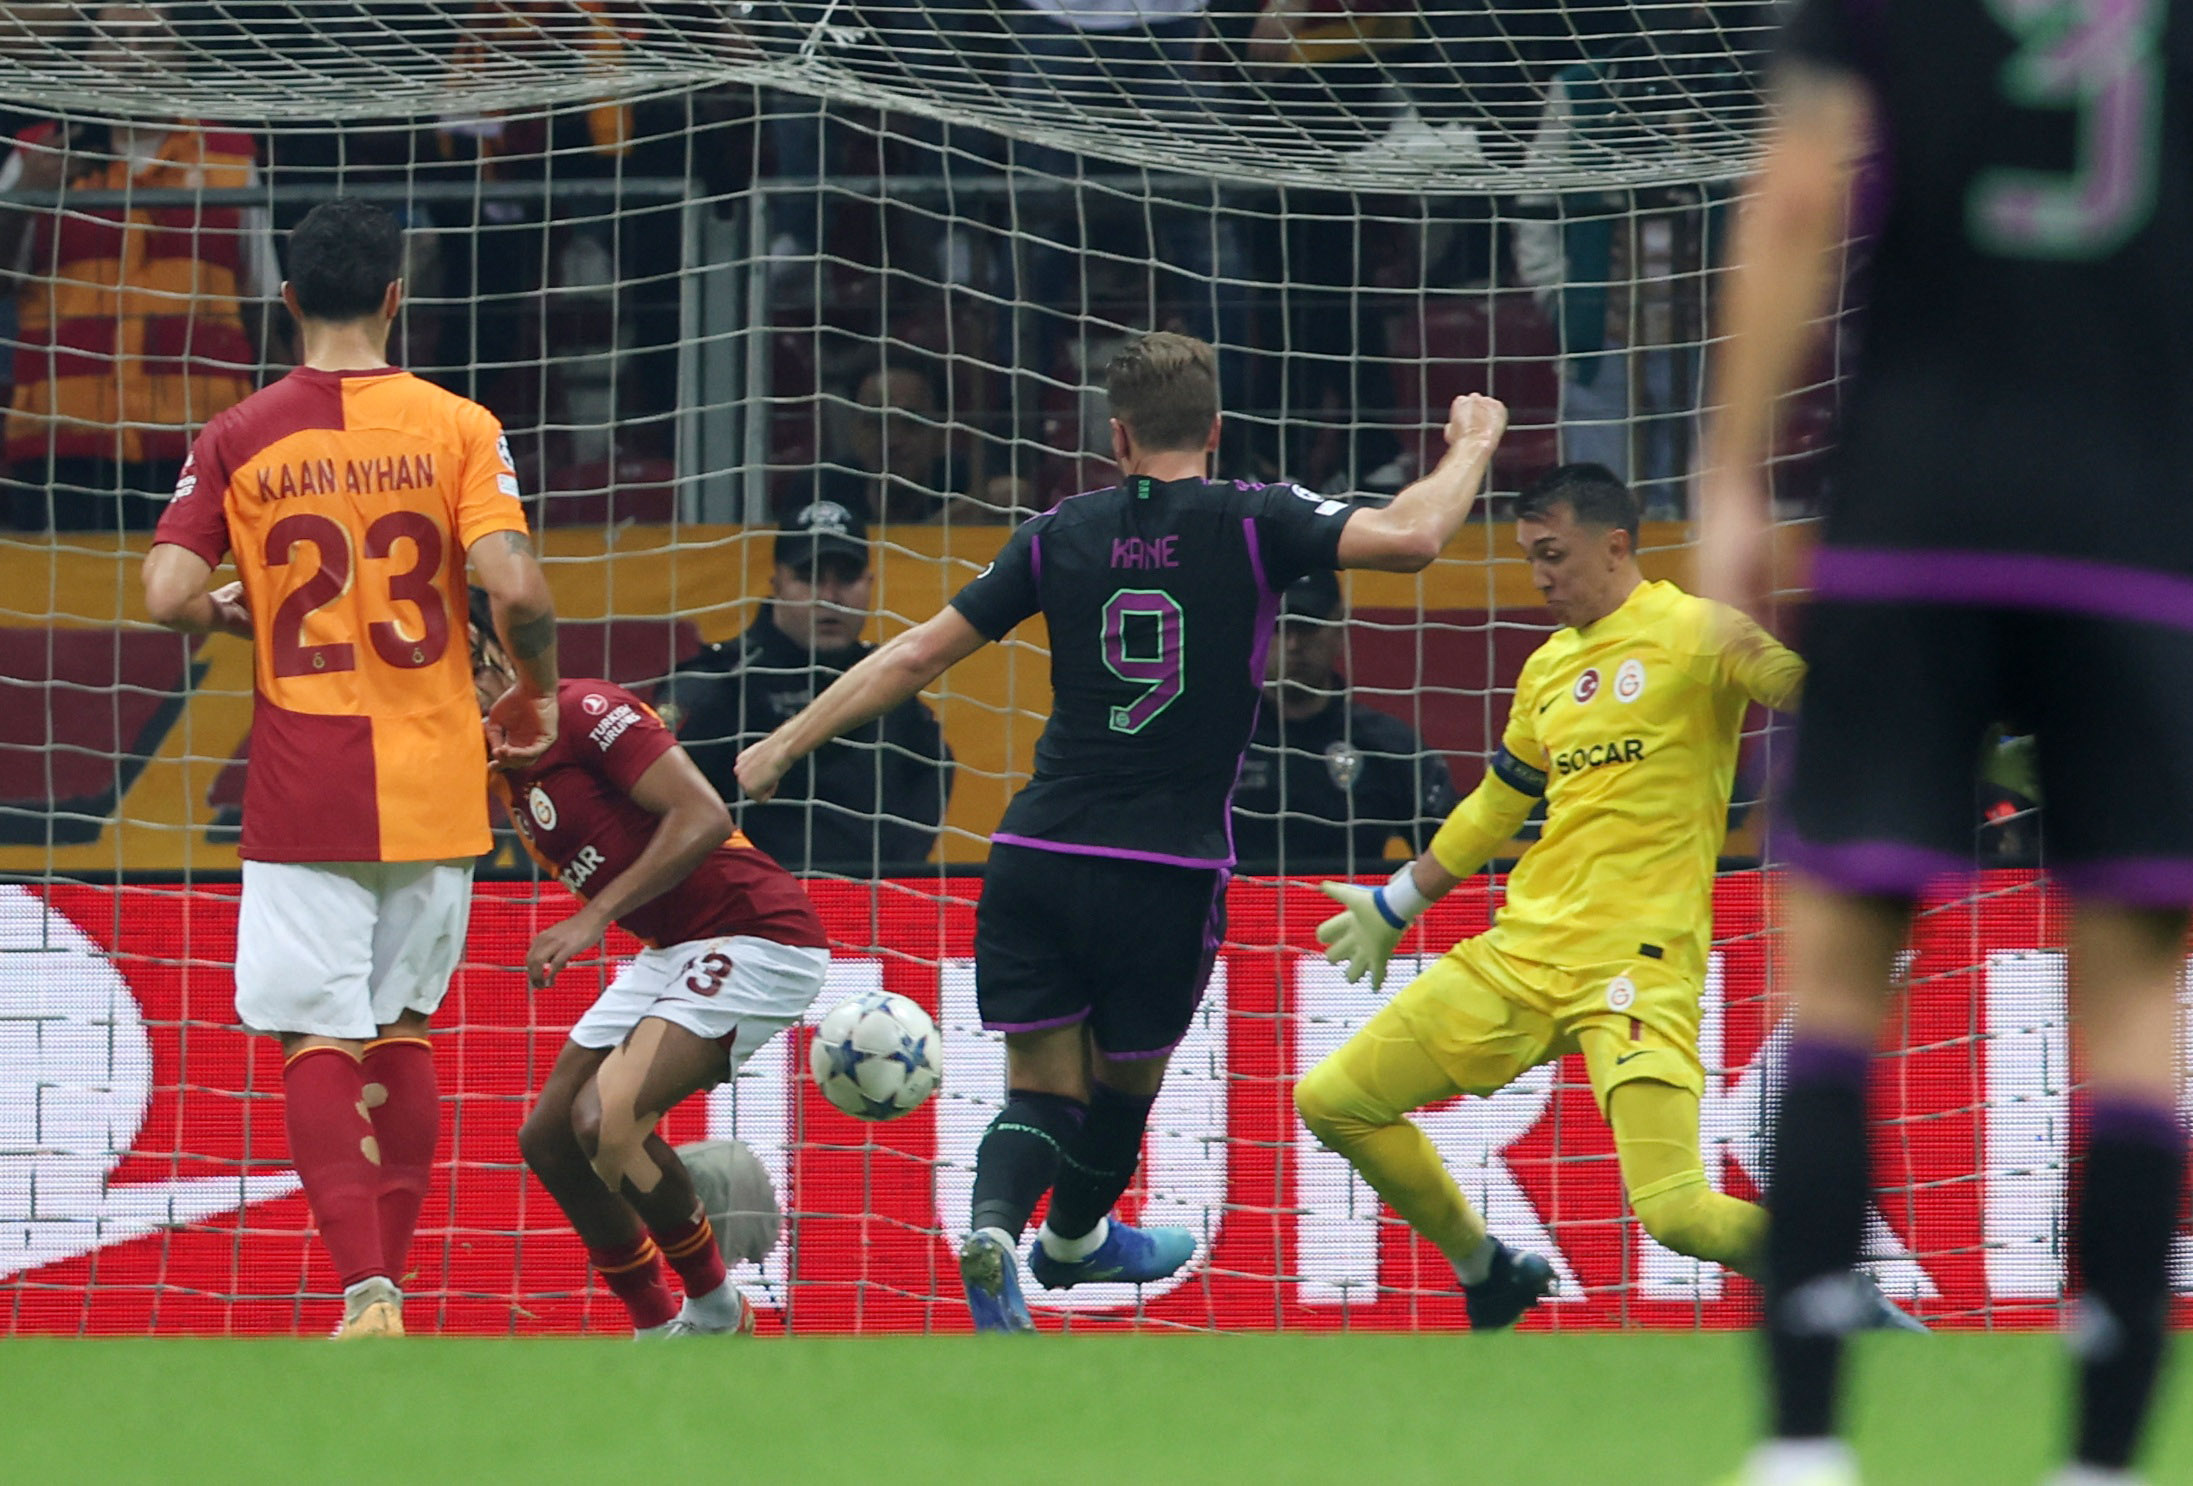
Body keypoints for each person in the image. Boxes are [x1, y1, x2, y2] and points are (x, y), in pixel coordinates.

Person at [735, 331, 1508, 1330]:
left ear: (1117, 436)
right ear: (1217, 431)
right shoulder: (1254, 519)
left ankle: (1011, 1233)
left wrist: (784, 742)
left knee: (1039, 1088)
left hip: (1037, 850)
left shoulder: (1061, 531)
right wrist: (1476, 442)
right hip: (1164, 865)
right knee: (1121, 1092)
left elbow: (917, 654)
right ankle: (1070, 1238)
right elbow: (1414, 537)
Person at [1696, 5, 2193, 1483]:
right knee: (2130, 1020)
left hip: (1911, 512)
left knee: (1840, 978)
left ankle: (1801, 1445)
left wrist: (1730, 472)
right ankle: (2099, 1461)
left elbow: (1796, 187)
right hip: (2137, 535)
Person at [1301, 464, 1905, 1334]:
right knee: (1333, 1102)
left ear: (1614, 543)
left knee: (1678, 1214)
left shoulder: (1699, 634)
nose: (1540, 576)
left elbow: (1810, 694)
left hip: (1636, 964)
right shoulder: (1547, 669)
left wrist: (1938, 727)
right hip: (1519, 956)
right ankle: (1489, 1271)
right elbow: (1495, 805)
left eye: (1552, 554)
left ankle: (1843, 1296)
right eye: (1527, 558)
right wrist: (1394, 903)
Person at [140, 199, 560, 1338]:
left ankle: (365, 1289)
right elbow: (515, 589)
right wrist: (540, 695)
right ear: (395, 297)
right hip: (434, 775)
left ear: (284, 302)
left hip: (303, 778)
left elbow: (169, 594)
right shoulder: (459, 425)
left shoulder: (240, 432)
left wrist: (247, 611)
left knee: (315, 1037)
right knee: (405, 1025)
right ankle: (401, 1277)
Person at [482, 590, 830, 1339]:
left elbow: (705, 816)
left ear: (488, 662)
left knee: (607, 1122)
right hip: (675, 946)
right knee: (548, 1137)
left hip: (758, 933)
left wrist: (593, 917)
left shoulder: (584, 710)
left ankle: (716, 1312)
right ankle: (653, 1330)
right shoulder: (495, 766)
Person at [0, 4, 281, 531]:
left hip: (198, 436)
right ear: (87, 54)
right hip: (65, 434)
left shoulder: (228, 156)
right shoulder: (36, 155)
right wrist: (25, 196)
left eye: (152, 37)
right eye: (115, 36)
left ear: (180, 55)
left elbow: (261, 302)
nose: (132, 53)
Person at [664, 501, 954, 873]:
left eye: (846, 578)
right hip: (747, 911)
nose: (829, 596)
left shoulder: (891, 683)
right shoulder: (719, 683)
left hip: (869, 909)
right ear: (778, 583)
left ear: (869, 584)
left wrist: (897, 866)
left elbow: (934, 766)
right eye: (809, 576)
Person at [1231, 568, 1456, 872]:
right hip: (1239, 914)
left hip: (1350, 914)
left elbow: (1452, 856)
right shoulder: (1222, 741)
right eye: (1280, 628)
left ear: (1338, 628)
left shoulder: (1388, 746)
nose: (1293, 645)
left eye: (1307, 627)